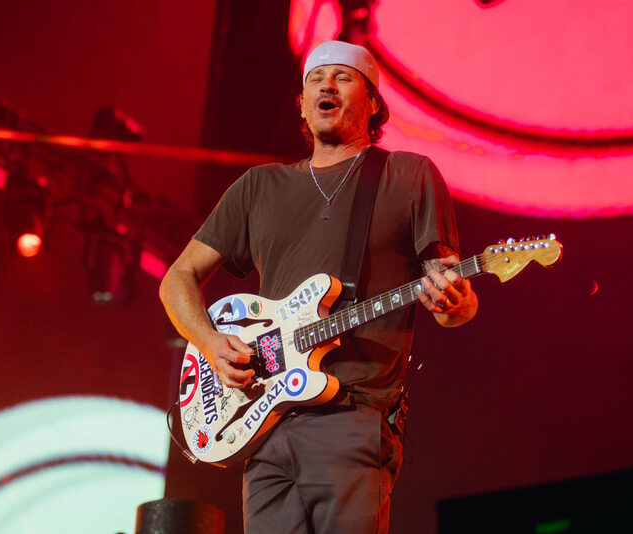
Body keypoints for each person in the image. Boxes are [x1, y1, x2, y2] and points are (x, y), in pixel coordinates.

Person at [160, 40, 478, 534]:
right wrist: (210, 343)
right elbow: (176, 279)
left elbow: (450, 296)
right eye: (316, 79)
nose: (327, 85)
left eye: (343, 77)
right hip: (263, 425)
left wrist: (457, 302)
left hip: (351, 415)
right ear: (303, 106)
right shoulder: (258, 187)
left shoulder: (408, 175)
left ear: (373, 103)